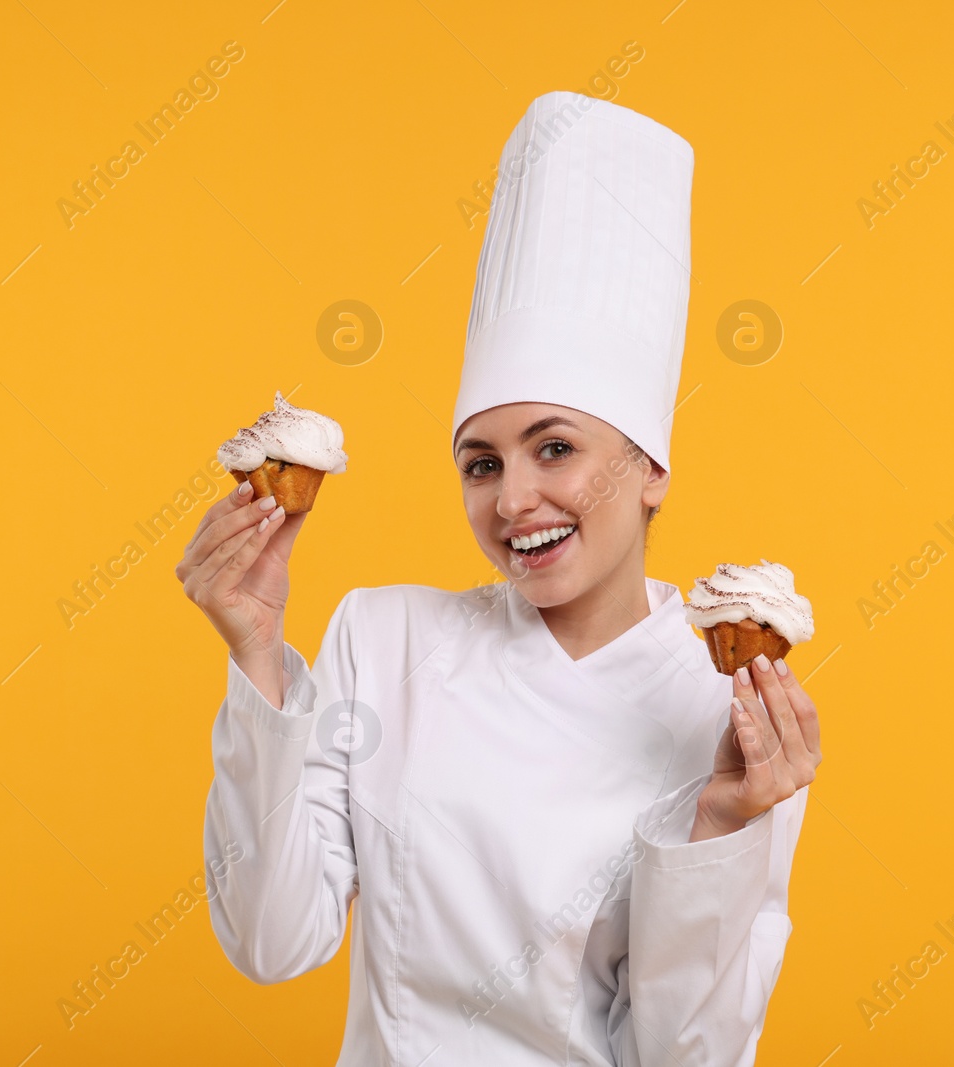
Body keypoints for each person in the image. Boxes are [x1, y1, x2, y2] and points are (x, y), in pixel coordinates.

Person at [180, 91, 820, 1065]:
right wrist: (258, 653)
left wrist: (724, 822)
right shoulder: (383, 637)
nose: (513, 498)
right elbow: (273, 942)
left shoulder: (730, 706)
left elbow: (682, 1056)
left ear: (650, 469)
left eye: (552, 447)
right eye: (480, 461)